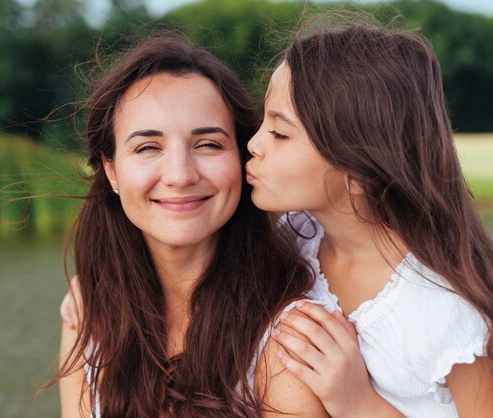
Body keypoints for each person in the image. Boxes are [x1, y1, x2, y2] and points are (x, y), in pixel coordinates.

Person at [50, 34, 329, 417]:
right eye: (148, 147)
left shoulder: (287, 342)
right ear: (111, 169)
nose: (180, 175)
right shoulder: (88, 317)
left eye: (208, 145)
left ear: (243, 159)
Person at [247, 22, 493, 417]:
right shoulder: (298, 236)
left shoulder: (444, 310)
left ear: (357, 172)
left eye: (279, 133)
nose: (254, 144)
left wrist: (357, 403)